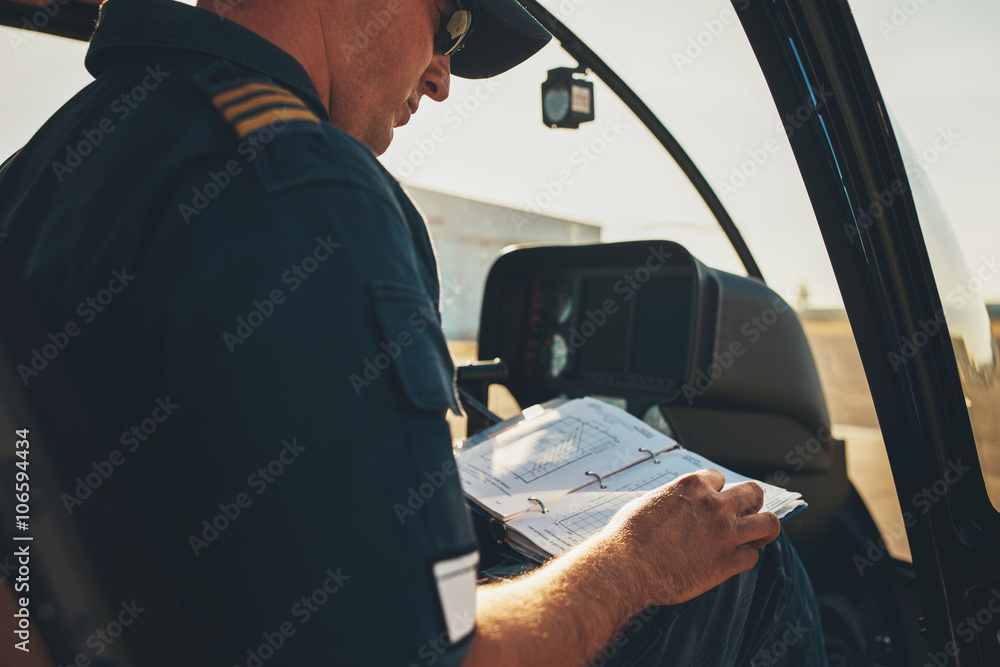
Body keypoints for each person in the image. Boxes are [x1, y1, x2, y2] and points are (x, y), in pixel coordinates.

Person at [0, 0, 827, 664]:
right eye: (452, 23)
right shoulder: (301, 187)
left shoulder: (44, 169)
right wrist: (631, 563)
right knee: (744, 562)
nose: (441, 79)